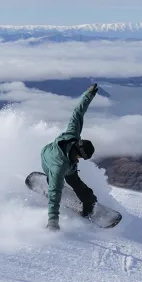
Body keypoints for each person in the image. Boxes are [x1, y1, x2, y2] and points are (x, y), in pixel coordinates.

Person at [40, 83, 100, 231]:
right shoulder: (59, 167)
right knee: (55, 185)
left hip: (63, 159)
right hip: (48, 160)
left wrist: (89, 95)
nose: (81, 160)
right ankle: (49, 181)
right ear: (79, 153)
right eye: (82, 157)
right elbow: (55, 195)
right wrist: (53, 221)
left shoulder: (73, 136)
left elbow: (77, 113)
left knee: (76, 182)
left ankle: (89, 202)